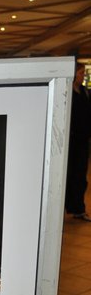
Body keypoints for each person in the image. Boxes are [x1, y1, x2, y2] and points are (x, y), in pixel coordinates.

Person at [65, 62, 91, 221]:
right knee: (68, 175)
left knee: (81, 176)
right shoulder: (67, 92)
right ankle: (66, 207)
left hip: (82, 141)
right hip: (70, 141)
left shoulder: (85, 92)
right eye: (81, 73)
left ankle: (78, 209)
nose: (83, 76)